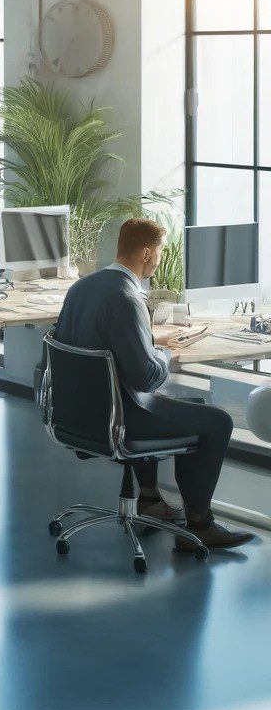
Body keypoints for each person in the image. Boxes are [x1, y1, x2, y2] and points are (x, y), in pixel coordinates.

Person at [53, 218, 253, 551]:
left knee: (194, 408)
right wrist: (163, 353)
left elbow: (96, 347)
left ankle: (149, 499)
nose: (159, 259)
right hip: (118, 419)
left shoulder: (82, 288)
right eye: (160, 251)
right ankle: (200, 525)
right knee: (218, 421)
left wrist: (146, 341)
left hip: (76, 415)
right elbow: (145, 376)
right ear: (146, 253)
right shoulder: (127, 297)